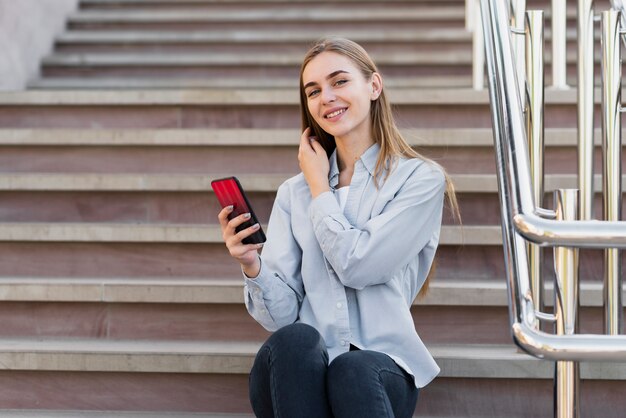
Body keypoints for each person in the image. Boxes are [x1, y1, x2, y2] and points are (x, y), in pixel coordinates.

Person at [217, 37, 459, 418]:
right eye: (313, 91)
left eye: (339, 81)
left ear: (374, 86)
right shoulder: (292, 193)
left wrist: (319, 188)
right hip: (300, 374)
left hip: (378, 373)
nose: (326, 97)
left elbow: (359, 266)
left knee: (352, 368)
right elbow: (280, 319)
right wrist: (252, 264)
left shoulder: (419, 179)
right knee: (295, 339)